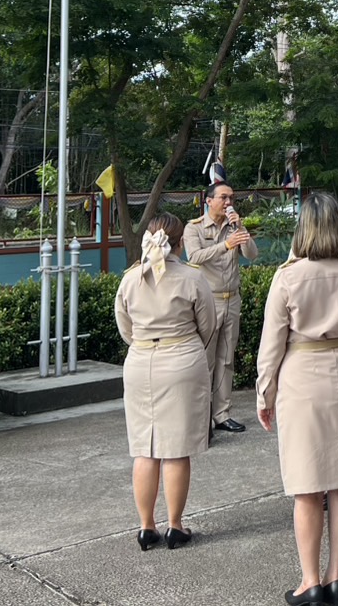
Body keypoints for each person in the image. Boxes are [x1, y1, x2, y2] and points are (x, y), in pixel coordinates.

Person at [256, 191, 338, 605]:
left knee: (307, 485)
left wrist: (264, 393)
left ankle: (310, 580)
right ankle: (335, 576)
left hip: (303, 377)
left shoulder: (289, 276)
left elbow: (272, 344)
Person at [114, 213, 217, 551]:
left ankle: (146, 527)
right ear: (179, 243)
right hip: (182, 359)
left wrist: (145, 344)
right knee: (175, 449)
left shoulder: (130, 278)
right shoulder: (192, 277)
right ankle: (175, 525)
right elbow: (208, 324)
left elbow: (125, 327)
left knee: (144, 448)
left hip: (140, 360)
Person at [184, 182, 258, 434]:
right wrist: (225, 245)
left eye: (231, 198)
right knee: (205, 361)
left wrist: (241, 228)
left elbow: (252, 254)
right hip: (208, 301)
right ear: (209, 201)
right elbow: (194, 257)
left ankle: (222, 414)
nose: (228, 203)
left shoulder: (233, 226)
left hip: (232, 299)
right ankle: (202, 417)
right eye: (223, 198)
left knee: (226, 359)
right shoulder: (194, 228)